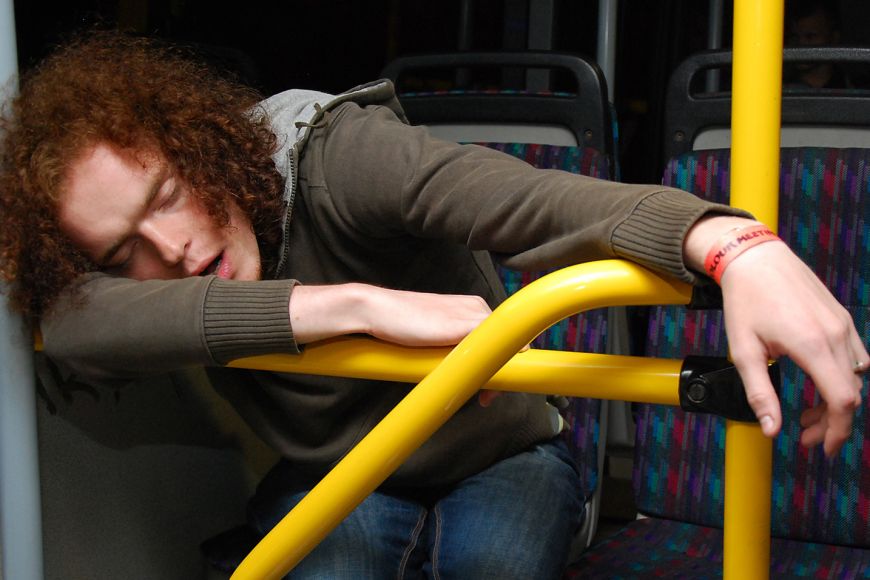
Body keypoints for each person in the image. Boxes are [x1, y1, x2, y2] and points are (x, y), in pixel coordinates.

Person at [0, 32, 866, 579]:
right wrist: (356, 307)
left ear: (202, 147)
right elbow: (70, 327)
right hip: (341, 463)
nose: (175, 253)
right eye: (123, 253)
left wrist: (738, 244)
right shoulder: (138, 278)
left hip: (504, 449)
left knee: (490, 563)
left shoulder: (338, 157)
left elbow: (540, 203)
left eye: (164, 197)